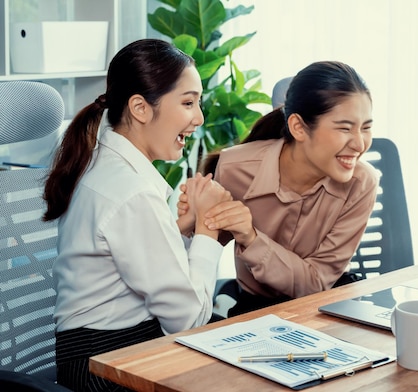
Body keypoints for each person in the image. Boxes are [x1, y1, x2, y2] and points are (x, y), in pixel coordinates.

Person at [42, 38, 230, 392]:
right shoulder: (132, 192)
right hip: (106, 371)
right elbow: (188, 318)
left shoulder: (106, 166)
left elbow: (121, 263)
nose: (199, 118)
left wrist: (182, 229)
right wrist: (208, 228)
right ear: (141, 109)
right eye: (188, 103)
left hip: (107, 355)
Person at [178, 61, 378, 316]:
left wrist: (251, 237)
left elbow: (316, 283)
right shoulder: (236, 168)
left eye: (366, 127)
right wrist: (190, 223)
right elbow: (199, 255)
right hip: (254, 311)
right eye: (344, 128)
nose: (360, 143)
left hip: (324, 307)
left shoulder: (361, 183)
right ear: (298, 127)